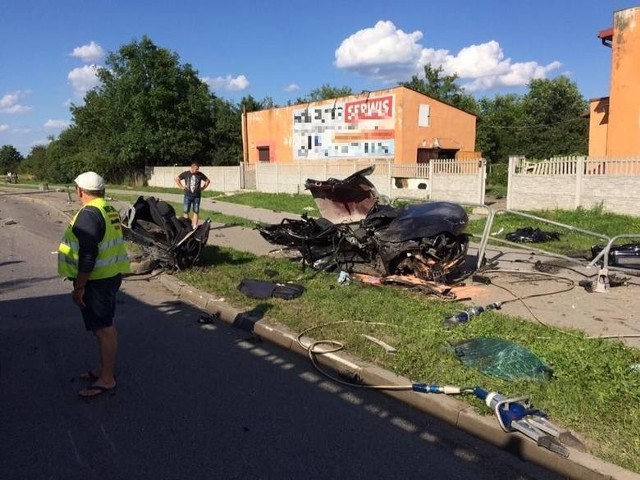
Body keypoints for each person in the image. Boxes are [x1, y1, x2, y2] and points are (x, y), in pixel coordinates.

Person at [58, 171, 130, 398]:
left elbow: (88, 255)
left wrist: (79, 287)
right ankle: (104, 368)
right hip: (109, 276)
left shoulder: (89, 214)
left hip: (97, 280)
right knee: (105, 325)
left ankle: (107, 378)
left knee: (103, 330)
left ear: (80, 191)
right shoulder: (107, 209)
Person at [175, 162, 210, 229]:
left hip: (197, 196)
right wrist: (182, 187)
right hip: (187, 196)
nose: (197, 170)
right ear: (192, 168)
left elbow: (207, 180)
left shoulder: (200, 174)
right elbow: (177, 179)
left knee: (196, 211)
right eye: (196, 169)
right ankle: (186, 225)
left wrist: (203, 188)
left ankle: (194, 226)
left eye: (198, 169)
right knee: (186, 211)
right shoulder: (186, 173)